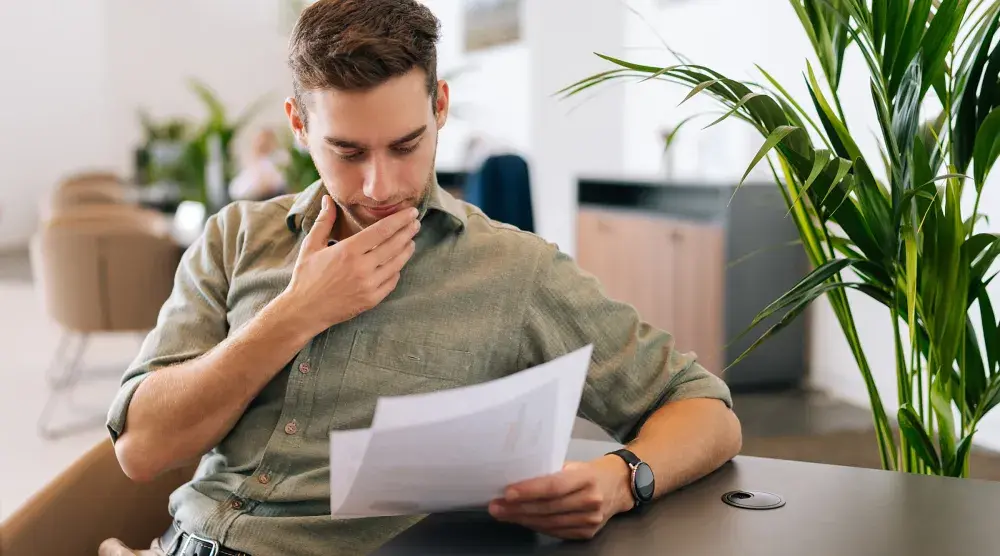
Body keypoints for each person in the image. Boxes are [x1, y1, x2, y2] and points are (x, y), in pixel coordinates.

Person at [100, 1, 742, 554]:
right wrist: (297, 312)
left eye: (405, 145)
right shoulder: (236, 237)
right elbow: (142, 451)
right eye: (347, 152)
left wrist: (620, 478)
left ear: (439, 107)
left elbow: (705, 408)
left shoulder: (513, 271)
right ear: (299, 126)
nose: (379, 186)